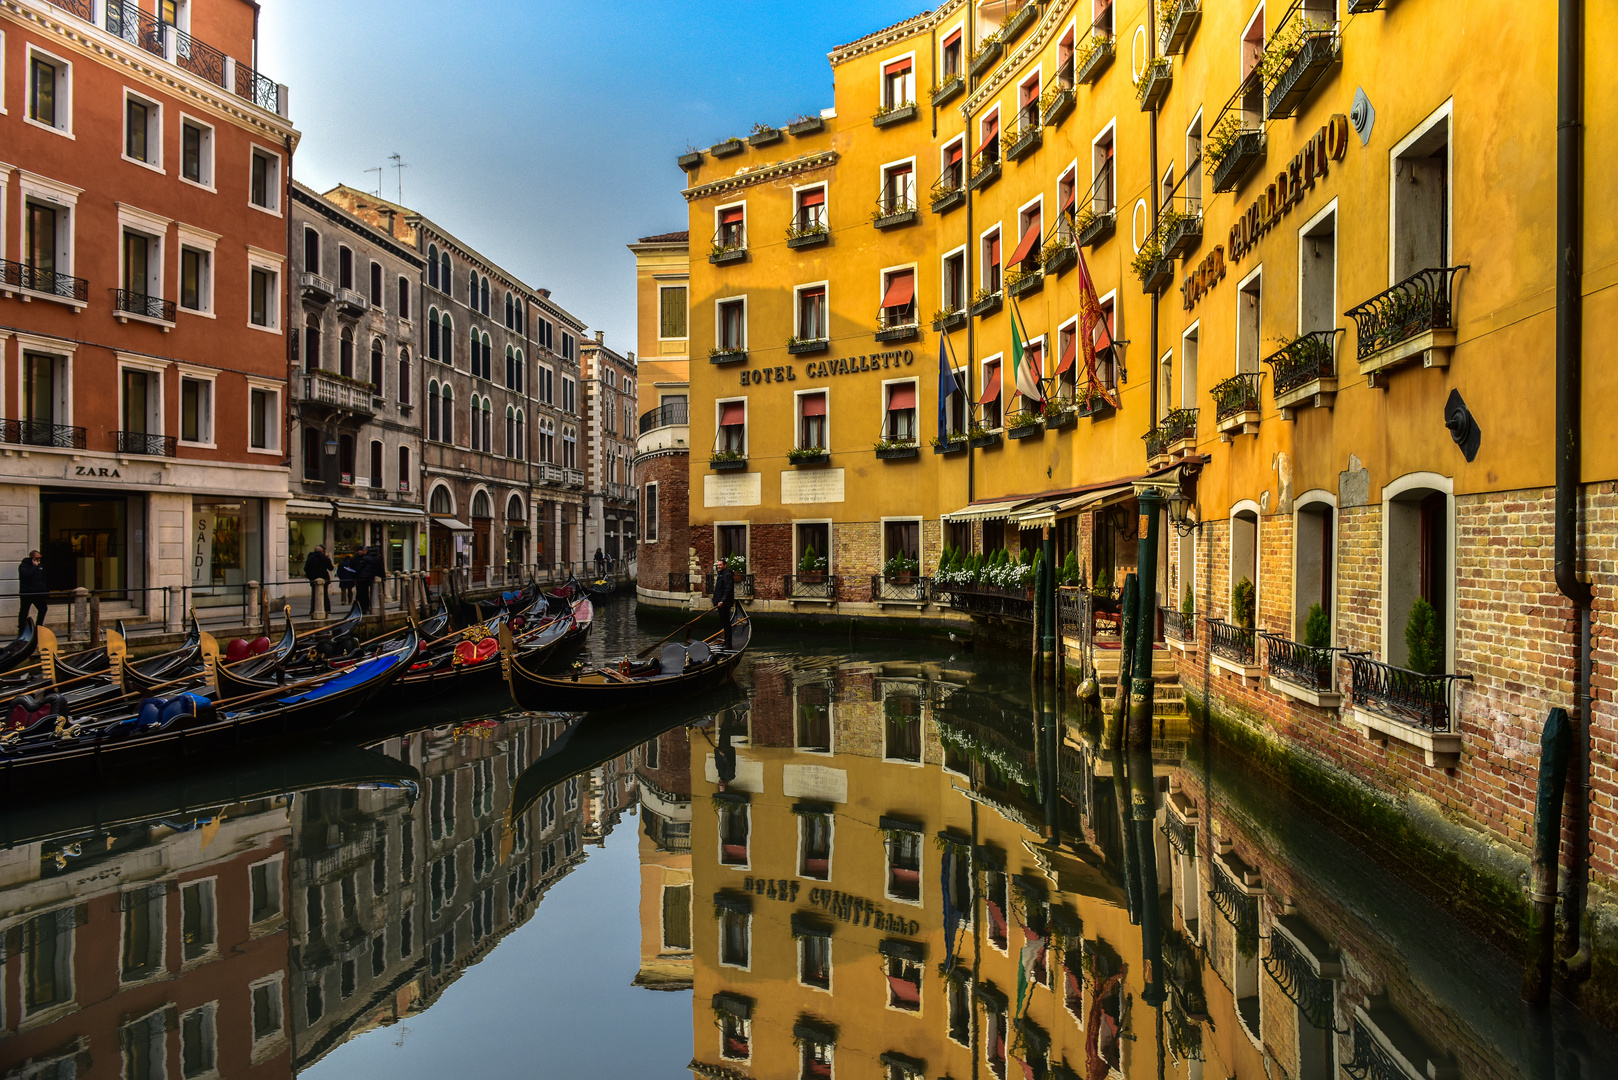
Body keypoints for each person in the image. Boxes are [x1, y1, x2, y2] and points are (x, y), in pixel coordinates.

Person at [17, 550, 47, 633]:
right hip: (27, 592)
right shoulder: (24, 566)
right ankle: (21, 629)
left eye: (40, 558)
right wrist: (34, 567)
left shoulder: (40, 566)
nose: (38, 560)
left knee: (43, 609)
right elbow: (26, 576)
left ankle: (39, 627)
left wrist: (44, 591)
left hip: (38, 593)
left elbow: (42, 579)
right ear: (32, 558)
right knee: (24, 611)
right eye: (37, 558)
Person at [303, 544, 333, 617]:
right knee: (325, 595)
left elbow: (306, 569)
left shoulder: (310, 558)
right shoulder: (324, 558)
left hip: (313, 579)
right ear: (322, 551)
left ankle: (313, 610)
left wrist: (310, 577)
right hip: (324, 578)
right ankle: (326, 610)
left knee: (314, 595)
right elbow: (331, 568)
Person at [711, 558, 735, 649]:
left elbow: (727, 589)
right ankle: (726, 642)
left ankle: (728, 644)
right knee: (724, 624)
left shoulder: (727, 575)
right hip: (721, 603)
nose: (719, 567)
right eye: (718, 565)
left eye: (720, 565)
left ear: (725, 565)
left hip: (724, 604)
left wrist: (722, 601)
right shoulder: (722, 574)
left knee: (726, 624)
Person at [356, 546, 382, 614]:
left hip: (362, 577)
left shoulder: (366, 558)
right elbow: (380, 568)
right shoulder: (377, 558)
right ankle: (366, 607)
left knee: (361, 593)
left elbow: (360, 567)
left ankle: (361, 608)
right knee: (366, 593)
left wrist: (356, 575)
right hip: (370, 577)